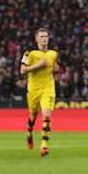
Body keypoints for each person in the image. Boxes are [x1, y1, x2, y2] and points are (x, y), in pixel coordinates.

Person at [20, 27, 59, 157]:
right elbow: (22, 70)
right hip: (33, 90)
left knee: (47, 115)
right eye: (41, 36)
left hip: (48, 88)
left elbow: (55, 67)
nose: (44, 39)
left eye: (46, 36)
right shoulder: (29, 54)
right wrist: (38, 65)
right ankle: (29, 133)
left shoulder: (53, 54)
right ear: (36, 39)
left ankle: (44, 146)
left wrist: (56, 69)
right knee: (33, 116)